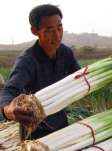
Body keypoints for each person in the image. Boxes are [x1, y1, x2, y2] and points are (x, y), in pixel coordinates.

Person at [0, 4, 80, 139]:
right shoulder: (27, 61)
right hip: (34, 131)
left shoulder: (66, 53)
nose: (57, 35)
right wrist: (8, 110)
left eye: (59, 28)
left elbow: (80, 75)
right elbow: (9, 91)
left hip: (61, 125)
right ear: (35, 30)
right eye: (49, 30)